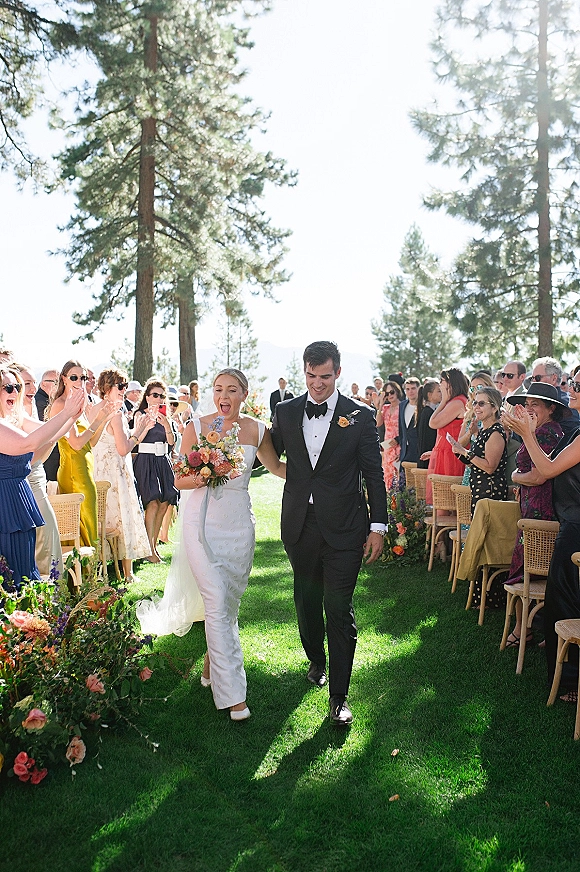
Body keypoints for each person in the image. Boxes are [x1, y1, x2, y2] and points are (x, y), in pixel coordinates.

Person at [271, 341, 387, 727]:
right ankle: (315, 659)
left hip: (346, 528)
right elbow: (266, 454)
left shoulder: (361, 415)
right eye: (311, 376)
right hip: (300, 526)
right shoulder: (286, 412)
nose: (317, 384)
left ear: (337, 373)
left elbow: (374, 474)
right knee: (306, 601)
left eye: (325, 376)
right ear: (304, 372)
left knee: (338, 607)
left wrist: (378, 525)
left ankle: (339, 697)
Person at [162, 367, 286, 721]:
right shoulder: (196, 428)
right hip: (201, 525)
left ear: (244, 394)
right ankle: (234, 697)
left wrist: (320, 478)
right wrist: (208, 472)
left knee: (227, 604)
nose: (224, 396)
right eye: (218, 389)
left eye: (232, 389)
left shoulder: (258, 430)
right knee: (216, 602)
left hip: (238, 527)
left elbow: (277, 468)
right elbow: (179, 480)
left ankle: (210, 663)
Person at [502, 375, 580, 700]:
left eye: (577, 385)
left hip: (575, 529)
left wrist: (526, 434)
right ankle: (565, 680)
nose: (571, 388)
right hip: (568, 526)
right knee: (561, 605)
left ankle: (571, 684)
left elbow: (545, 471)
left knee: (568, 605)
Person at [0, 367, 84, 586]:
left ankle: (29, 617)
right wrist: (65, 413)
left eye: (17, 387)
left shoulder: (12, 420)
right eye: (8, 387)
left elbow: (50, 433)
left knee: (24, 569)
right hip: (4, 505)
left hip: (19, 501)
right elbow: (27, 444)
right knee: (10, 573)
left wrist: (72, 416)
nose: (15, 392)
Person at [502, 383, 564, 646]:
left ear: (551, 409)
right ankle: (530, 630)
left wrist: (517, 477)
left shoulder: (549, 433)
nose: (529, 409)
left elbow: (539, 476)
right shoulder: (536, 430)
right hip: (530, 506)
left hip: (542, 510)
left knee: (527, 570)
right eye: (526, 405)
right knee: (526, 569)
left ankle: (523, 630)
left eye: (535, 405)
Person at [91, 369, 154, 582]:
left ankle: (101, 569)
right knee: (122, 518)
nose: (124, 390)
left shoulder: (92, 410)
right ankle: (127, 573)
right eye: (120, 386)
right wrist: (137, 432)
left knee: (102, 519)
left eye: (125, 386)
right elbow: (123, 448)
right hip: (116, 474)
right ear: (107, 387)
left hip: (98, 472)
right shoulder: (115, 414)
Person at [49, 360, 117, 547]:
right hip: (73, 472)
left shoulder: (80, 404)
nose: (79, 381)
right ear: (64, 378)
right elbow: (76, 443)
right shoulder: (61, 404)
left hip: (86, 470)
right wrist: (98, 420)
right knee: (80, 524)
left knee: (89, 521)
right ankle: (83, 573)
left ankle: (90, 572)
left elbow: (91, 443)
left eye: (83, 377)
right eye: (74, 377)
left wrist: (104, 420)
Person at [13, 365, 63, 577]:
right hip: (26, 483)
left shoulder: (30, 408)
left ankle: (55, 600)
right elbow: (32, 457)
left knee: (48, 543)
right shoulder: (13, 417)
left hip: (38, 479)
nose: (33, 387)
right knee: (42, 545)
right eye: (27, 384)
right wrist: (54, 433)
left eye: (33, 382)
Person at [132, 378, 178, 562]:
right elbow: (135, 439)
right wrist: (146, 425)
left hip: (162, 461)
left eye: (162, 396)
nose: (159, 399)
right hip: (146, 460)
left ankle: (154, 545)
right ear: (147, 397)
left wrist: (167, 425)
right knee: (151, 502)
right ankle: (147, 549)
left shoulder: (167, 416)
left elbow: (172, 442)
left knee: (165, 502)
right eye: (155, 395)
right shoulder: (139, 414)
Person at [451, 386, 508, 515]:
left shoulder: (495, 432)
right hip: (479, 490)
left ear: (494, 408)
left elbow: (489, 467)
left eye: (481, 403)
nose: (476, 407)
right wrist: (459, 452)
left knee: (487, 534)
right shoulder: (483, 430)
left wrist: (465, 452)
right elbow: (476, 463)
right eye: (475, 402)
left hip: (490, 492)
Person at [427, 367, 469, 498]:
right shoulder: (455, 401)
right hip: (446, 453)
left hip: (451, 456)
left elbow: (433, 423)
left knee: (445, 500)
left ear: (451, 383)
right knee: (442, 499)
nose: (440, 384)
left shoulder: (457, 402)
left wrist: (443, 400)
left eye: (442, 380)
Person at [35, 369, 60, 483]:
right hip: (48, 458)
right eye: (56, 382)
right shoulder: (40, 402)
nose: (59, 385)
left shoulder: (49, 400)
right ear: (43, 383)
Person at [377, 380, 402, 489]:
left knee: (398, 476)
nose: (390, 395)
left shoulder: (403, 406)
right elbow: (378, 423)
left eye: (392, 392)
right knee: (387, 475)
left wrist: (399, 440)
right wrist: (380, 405)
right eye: (387, 393)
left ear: (397, 391)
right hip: (387, 446)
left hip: (399, 444)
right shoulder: (385, 408)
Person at [397, 376, 421, 484]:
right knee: (403, 483)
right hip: (404, 451)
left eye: (413, 388)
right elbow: (402, 430)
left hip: (418, 450)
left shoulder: (423, 406)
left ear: (418, 389)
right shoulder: (402, 405)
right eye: (407, 389)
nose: (410, 391)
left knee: (417, 484)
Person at [417, 379, 442, 469]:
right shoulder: (427, 413)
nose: (441, 393)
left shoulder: (430, 411)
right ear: (430, 395)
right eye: (439, 391)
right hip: (426, 459)